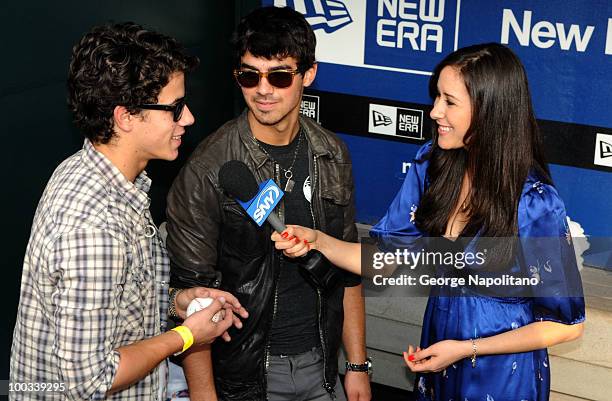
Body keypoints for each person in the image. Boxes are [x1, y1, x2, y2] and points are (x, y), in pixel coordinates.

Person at [272, 43, 585, 401]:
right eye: (436, 97)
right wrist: (319, 241)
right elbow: (386, 261)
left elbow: (565, 326)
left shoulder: (535, 202)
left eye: (450, 101)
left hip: (503, 377)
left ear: (489, 110)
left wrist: (467, 348)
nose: (435, 111)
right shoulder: (433, 165)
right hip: (440, 358)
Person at [10, 22, 247, 401]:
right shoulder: (92, 225)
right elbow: (91, 381)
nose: (188, 119)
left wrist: (176, 303)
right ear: (125, 117)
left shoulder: (100, 176)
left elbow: (119, 301)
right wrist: (187, 335)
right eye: (174, 108)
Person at [165, 6, 371, 401]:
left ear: (308, 74)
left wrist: (358, 364)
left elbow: (349, 272)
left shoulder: (331, 154)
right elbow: (192, 300)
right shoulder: (209, 169)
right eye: (249, 75)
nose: (263, 90)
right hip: (247, 374)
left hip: (323, 364)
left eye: (278, 76)